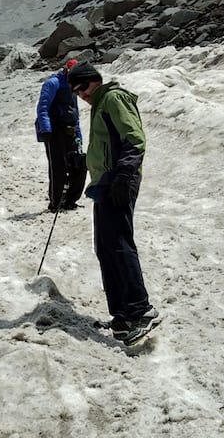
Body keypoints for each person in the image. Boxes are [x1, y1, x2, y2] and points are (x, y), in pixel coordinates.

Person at [67, 61, 162, 345]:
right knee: (106, 248)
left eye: (82, 87)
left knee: (119, 244)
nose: (80, 94)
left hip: (118, 181)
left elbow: (134, 138)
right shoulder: (100, 103)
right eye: (75, 91)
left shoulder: (113, 97)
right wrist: (84, 161)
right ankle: (122, 315)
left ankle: (141, 310)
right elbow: (107, 146)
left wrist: (123, 174)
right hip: (106, 183)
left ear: (94, 80)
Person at [35, 58, 86, 212]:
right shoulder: (52, 83)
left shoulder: (74, 86)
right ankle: (55, 203)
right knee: (58, 168)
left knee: (79, 165)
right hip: (54, 131)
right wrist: (46, 130)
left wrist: (79, 135)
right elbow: (42, 107)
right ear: (66, 70)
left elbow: (74, 111)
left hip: (71, 130)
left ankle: (70, 200)